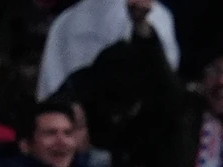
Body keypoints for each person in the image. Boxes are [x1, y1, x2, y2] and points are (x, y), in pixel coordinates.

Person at [37, 0, 180, 102]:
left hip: (134, 127)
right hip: (73, 128)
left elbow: (164, 81)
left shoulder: (153, 16)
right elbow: (50, 89)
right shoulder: (67, 21)